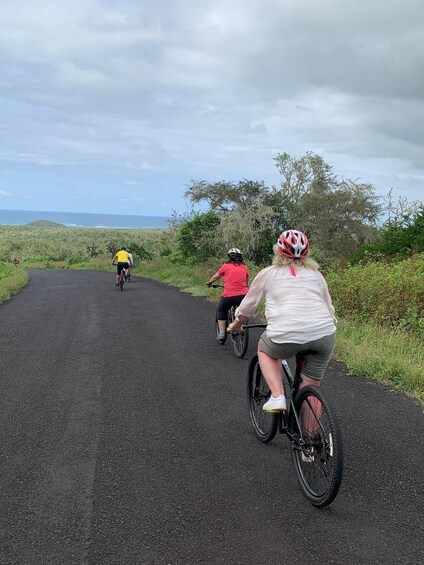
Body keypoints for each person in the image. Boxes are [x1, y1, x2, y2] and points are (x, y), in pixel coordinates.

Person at [229, 230, 336, 412]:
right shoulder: (317, 275)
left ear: (278, 251)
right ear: (307, 253)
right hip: (324, 334)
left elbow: (248, 307)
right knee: (311, 386)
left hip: (285, 334)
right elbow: (328, 307)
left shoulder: (269, 273)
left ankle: (277, 396)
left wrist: (236, 324)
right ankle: (312, 438)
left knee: (265, 350)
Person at [207, 248, 249, 344]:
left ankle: (222, 333)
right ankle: (239, 326)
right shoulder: (245, 267)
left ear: (229, 257)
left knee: (221, 310)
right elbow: (246, 282)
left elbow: (215, 276)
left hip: (229, 295)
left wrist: (209, 282)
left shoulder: (226, 266)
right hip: (243, 295)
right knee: (240, 310)